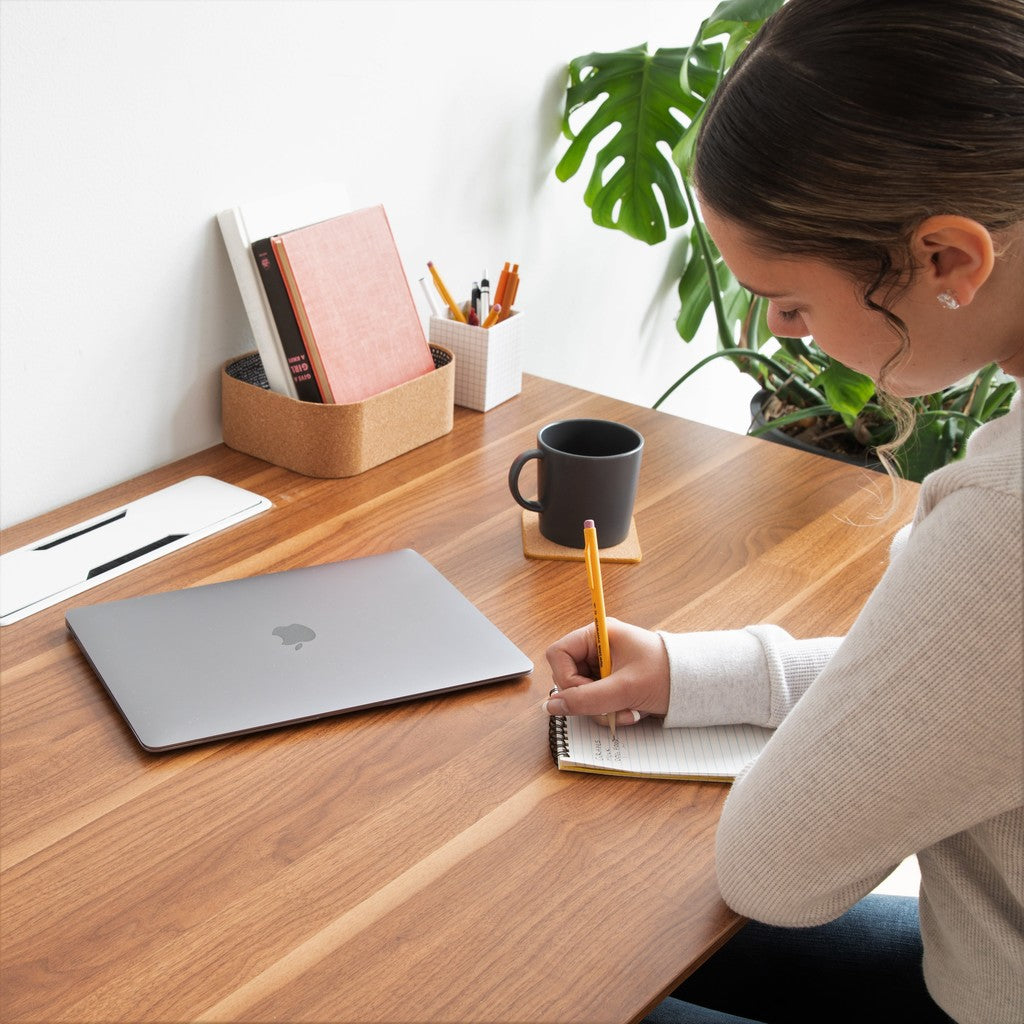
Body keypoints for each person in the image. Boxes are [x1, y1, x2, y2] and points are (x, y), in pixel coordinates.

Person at [543, 2, 1024, 1022]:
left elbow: (775, 869)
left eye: (792, 303)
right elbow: (965, 685)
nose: (776, 330)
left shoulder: (1008, 515)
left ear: (945, 259)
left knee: (544, 977)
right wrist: (696, 672)